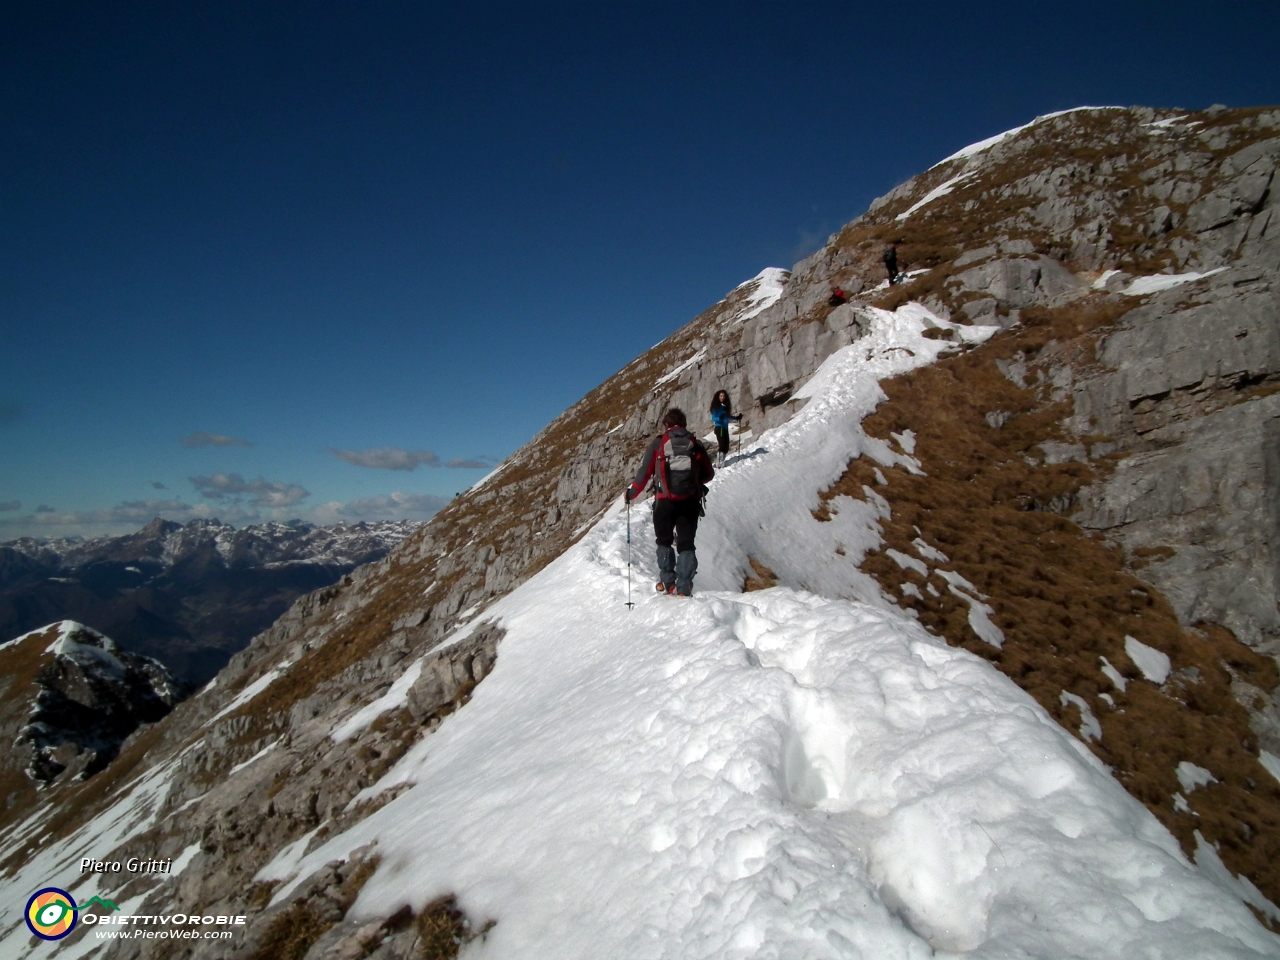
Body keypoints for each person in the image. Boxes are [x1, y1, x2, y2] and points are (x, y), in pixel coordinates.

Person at [624, 408, 715, 597]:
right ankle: (684, 587)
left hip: (664, 502)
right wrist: (692, 481)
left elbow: (644, 473)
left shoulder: (659, 444)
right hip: (689, 502)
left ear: (666, 426)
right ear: (684, 424)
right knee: (686, 544)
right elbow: (708, 474)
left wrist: (631, 494)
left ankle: (668, 583)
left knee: (664, 541)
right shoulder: (695, 444)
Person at [709, 390, 742, 468]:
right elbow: (713, 418)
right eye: (721, 396)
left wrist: (736, 418)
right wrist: (719, 418)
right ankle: (719, 463)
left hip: (724, 428)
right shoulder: (715, 407)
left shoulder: (725, 407)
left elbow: (727, 416)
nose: (722, 397)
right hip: (719, 427)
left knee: (726, 446)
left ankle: (721, 461)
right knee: (722, 444)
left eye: (724, 396)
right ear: (718, 397)